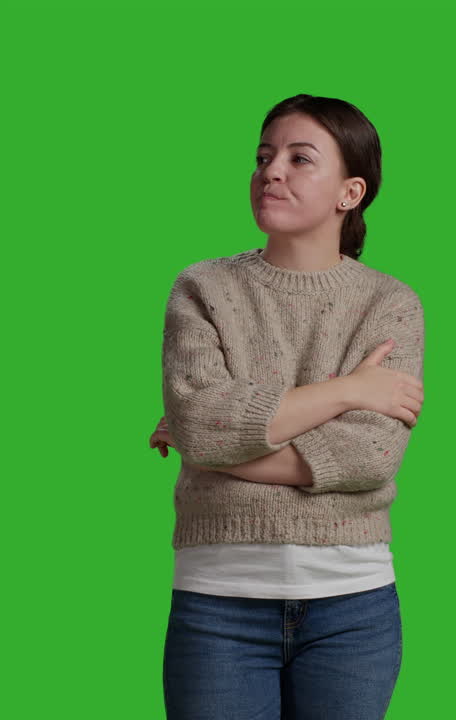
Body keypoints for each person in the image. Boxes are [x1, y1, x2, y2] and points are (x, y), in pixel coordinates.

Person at [151, 94, 423, 720]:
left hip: (353, 606)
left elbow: (371, 455)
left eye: (300, 159)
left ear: (350, 192)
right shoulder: (202, 286)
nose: (271, 171)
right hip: (218, 601)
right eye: (263, 157)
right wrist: (348, 390)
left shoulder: (391, 303)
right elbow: (201, 423)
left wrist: (214, 448)